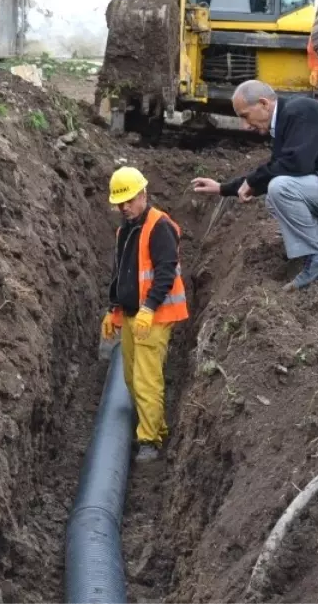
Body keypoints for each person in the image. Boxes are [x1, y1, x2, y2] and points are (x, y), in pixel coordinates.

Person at [191, 81, 318, 290]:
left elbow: (295, 164)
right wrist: (223, 188)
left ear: (263, 103)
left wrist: (252, 181)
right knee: (274, 198)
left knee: (280, 189)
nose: (245, 126)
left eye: (245, 116)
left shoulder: (301, 112)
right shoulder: (289, 117)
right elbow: (279, 167)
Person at [101, 166, 189, 463]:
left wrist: (149, 308)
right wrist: (113, 309)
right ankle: (154, 424)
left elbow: (166, 272)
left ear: (143, 194)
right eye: (120, 203)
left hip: (154, 316)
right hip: (130, 314)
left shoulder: (158, 226)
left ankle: (150, 440)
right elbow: (121, 273)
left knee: (146, 380)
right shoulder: (124, 230)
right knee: (129, 377)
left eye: (129, 200)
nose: (124, 207)